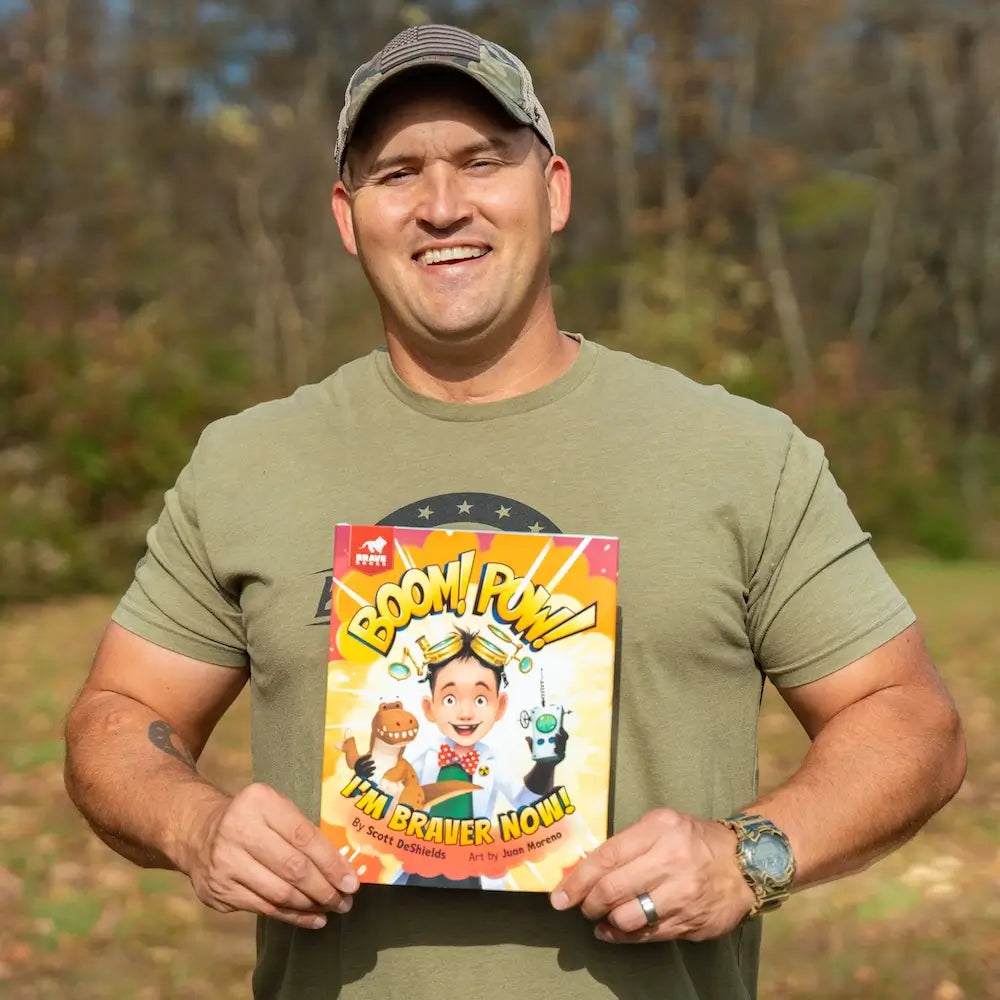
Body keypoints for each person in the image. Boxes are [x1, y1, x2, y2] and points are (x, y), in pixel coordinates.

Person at [64, 22, 967, 1000]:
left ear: (554, 190)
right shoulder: (249, 461)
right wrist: (193, 824)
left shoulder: (740, 455)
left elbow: (906, 716)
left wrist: (747, 853)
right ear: (345, 213)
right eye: (397, 173)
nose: (442, 206)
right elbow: (122, 713)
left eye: (482, 161)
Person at [384, 626, 567, 889]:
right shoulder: (427, 756)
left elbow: (525, 802)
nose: (465, 713)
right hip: (424, 860)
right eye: (449, 700)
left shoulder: (492, 762)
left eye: (481, 700)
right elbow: (394, 788)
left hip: (471, 867)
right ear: (430, 708)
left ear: (500, 706)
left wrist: (545, 766)